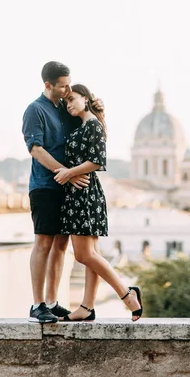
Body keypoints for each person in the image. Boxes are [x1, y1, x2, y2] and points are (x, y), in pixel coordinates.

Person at [54, 84, 143, 322]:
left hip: (84, 194)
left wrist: (69, 173)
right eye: (67, 102)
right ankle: (87, 306)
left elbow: (97, 160)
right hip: (81, 193)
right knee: (91, 254)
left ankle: (127, 294)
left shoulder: (91, 124)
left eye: (72, 99)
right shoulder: (86, 123)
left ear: (86, 98)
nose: (69, 104)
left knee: (84, 255)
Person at [22, 61, 103, 323]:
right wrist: (66, 173)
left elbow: (87, 126)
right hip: (45, 185)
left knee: (60, 244)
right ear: (48, 85)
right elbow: (36, 149)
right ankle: (37, 305)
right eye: (63, 85)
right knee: (43, 243)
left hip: (65, 188)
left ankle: (53, 302)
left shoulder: (64, 108)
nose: (68, 89)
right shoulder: (35, 110)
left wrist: (95, 106)